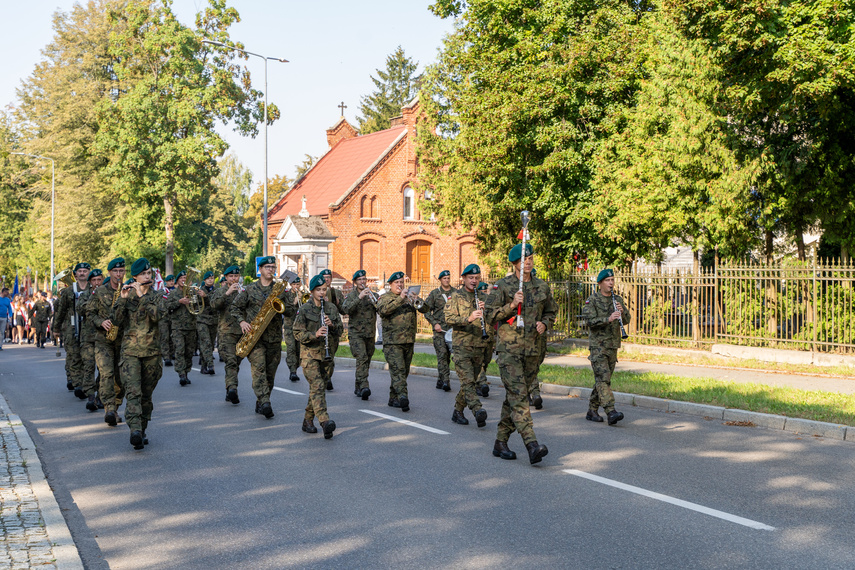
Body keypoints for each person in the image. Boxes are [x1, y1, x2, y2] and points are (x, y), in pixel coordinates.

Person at [485, 243, 556, 464]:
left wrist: (545, 323)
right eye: (523, 259)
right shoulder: (503, 286)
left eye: (530, 258)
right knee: (518, 398)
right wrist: (511, 305)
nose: (528, 262)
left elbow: (552, 311)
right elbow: (488, 315)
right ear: (515, 263)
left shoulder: (542, 286)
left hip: (532, 351)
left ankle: (500, 441)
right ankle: (531, 444)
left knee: (515, 398)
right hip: (509, 351)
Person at [230, 256, 294, 419]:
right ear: (260, 269)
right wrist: (242, 321)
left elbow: (292, 311)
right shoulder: (250, 289)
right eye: (268, 267)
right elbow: (235, 307)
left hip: (273, 338)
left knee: (270, 373)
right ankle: (265, 402)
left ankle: (261, 401)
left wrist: (285, 305)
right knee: (259, 369)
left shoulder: (280, 289)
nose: (271, 270)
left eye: (273, 267)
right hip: (255, 338)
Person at [114, 258, 162, 450]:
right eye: (143, 274)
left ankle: (142, 429)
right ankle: (134, 430)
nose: (147, 277)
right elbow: (115, 321)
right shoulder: (125, 295)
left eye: (149, 274)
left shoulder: (156, 296)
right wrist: (123, 300)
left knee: (146, 395)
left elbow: (157, 316)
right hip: (131, 353)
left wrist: (143, 296)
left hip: (151, 353)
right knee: (133, 392)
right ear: (135, 277)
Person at [293, 274, 343, 439]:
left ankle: (307, 420)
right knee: (318, 387)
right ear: (312, 291)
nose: (322, 293)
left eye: (324, 289)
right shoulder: (305, 309)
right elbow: (297, 332)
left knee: (317, 390)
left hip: (327, 356)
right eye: (318, 290)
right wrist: (314, 334)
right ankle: (324, 421)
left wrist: (332, 325)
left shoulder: (331, 308)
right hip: (310, 355)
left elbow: (341, 331)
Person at [582, 268, 630, 426]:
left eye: (612, 280)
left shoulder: (617, 300)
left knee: (603, 380)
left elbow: (628, 319)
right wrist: (608, 319)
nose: (611, 283)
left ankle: (592, 410)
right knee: (603, 379)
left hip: (613, 346)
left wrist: (622, 312)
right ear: (600, 283)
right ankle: (611, 411)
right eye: (608, 281)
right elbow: (589, 321)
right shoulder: (593, 300)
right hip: (598, 347)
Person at [444, 264, 489, 428]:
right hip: (462, 347)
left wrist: (486, 312)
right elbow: (448, 318)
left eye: (477, 278)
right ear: (463, 278)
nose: (474, 281)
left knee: (469, 382)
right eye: (471, 278)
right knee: (468, 382)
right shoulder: (455, 296)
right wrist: (468, 319)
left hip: (478, 346)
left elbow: (492, 321)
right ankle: (478, 410)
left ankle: (457, 410)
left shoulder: (483, 297)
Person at [90, 258, 128, 426]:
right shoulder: (99, 292)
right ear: (110, 273)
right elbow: (89, 313)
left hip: (123, 339)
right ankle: (109, 409)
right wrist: (101, 322)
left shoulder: (128, 290)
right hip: (103, 340)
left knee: (121, 377)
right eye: (115, 271)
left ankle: (117, 406)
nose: (118, 274)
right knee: (106, 374)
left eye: (121, 271)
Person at [376, 271, 417, 412]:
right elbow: (383, 310)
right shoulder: (385, 297)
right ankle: (403, 397)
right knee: (398, 371)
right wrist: (400, 298)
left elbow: (425, 308)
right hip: (392, 342)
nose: (400, 285)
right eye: (397, 283)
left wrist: (416, 299)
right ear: (390, 284)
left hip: (408, 340)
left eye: (401, 282)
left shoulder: (408, 297)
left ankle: (393, 397)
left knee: (403, 372)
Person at [53, 262, 91, 395]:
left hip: (89, 329)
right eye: (79, 271)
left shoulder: (93, 289)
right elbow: (61, 311)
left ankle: (86, 384)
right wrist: (56, 328)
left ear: (88, 273)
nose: (82, 273)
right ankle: (78, 384)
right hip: (71, 328)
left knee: (87, 358)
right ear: (75, 274)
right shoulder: (69, 291)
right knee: (74, 356)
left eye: (85, 271)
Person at [208, 265, 245, 404]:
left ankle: (229, 389)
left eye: (236, 276)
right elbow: (214, 305)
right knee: (230, 361)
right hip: (226, 332)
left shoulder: (244, 291)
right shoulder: (221, 291)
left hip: (242, 333)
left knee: (236, 362)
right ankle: (232, 389)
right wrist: (227, 293)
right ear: (226, 277)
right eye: (231, 276)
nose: (234, 278)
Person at [341, 269, 378, 400]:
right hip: (356, 333)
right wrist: (359, 297)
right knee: (361, 357)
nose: (362, 282)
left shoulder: (373, 294)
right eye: (360, 280)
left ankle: (358, 386)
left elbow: (381, 309)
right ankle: (364, 386)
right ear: (355, 282)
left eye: (364, 279)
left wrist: (375, 300)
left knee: (366, 360)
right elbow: (345, 310)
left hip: (369, 333)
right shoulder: (351, 296)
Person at [419, 270, 456, 392]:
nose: (446, 280)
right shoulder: (435, 294)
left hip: (452, 330)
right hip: (440, 330)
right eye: (444, 278)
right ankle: (446, 381)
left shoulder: (456, 293)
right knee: (442, 355)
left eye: (448, 278)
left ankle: (440, 380)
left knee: (449, 356)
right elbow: (426, 310)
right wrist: (435, 323)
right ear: (440, 280)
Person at [166, 270, 197, 386]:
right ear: (177, 280)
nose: (184, 280)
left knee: (189, 352)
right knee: (179, 350)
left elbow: (198, 306)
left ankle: (187, 372)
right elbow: (168, 306)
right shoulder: (173, 294)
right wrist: (179, 301)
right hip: (178, 327)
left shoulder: (192, 292)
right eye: (182, 278)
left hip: (191, 326)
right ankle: (181, 374)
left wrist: (195, 299)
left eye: (186, 278)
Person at [79, 269, 104, 411]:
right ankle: (90, 396)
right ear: (90, 282)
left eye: (99, 280)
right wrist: (93, 298)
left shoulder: (108, 293)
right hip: (88, 338)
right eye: (94, 280)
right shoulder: (85, 295)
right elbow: (80, 309)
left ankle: (101, 396)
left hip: (102, 337)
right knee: (88, 367)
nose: (96, 283)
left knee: (103, 369)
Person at [319, 269, 343, 390]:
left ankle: (328, 377)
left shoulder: (336, 292)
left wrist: (337, 304)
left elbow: (344, 310)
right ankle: (322, 378)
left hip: (332, 329)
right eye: (324, 277)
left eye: (328, 277)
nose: (326, 279)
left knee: (330, 358)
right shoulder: (316, 292)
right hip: (320, 329)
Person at [195, 271, 218, 375]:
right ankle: (210, 365)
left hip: (213, 320)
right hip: (202, 320)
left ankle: (203, 366)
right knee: (206, 342)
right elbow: (195, 303)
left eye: (212, 278)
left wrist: (206, 297)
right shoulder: (199, 291)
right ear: (204, 280)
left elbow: (215, 303)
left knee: (211, 344)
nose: (210, 280)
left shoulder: (217, 291)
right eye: (208, 278)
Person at [475, 281, 494, 397]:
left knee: (486, 361)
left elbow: (494, 317)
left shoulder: (489, 302)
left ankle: (479, 382)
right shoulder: (473, 300)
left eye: (485, 291)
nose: (484, 293)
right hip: (477, 336)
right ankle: (481, 383)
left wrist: (486, 309)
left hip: (489, 335)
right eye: (482, 291)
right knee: (479, 361)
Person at [281, 277, 302, 383]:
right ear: (291, 285)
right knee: (291, 349)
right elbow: (286, 311)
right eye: (294, 284)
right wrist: (294, 302)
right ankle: (292, 371)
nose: (296, 287)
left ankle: (295, 367)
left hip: (300, 327)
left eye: (298, 284)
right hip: (289, 327)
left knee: (299, 350)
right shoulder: (286, 295)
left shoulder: (303, 295)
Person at [159, 274, 176, 366]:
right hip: (164, 318)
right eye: (170, 281)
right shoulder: (162, 291)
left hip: (173, 317)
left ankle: (172, 352)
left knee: (172, 336)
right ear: (166, 282)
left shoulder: (175, 291)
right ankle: (166, 357)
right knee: (165, 337)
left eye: (173, 281)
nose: (171, 282)